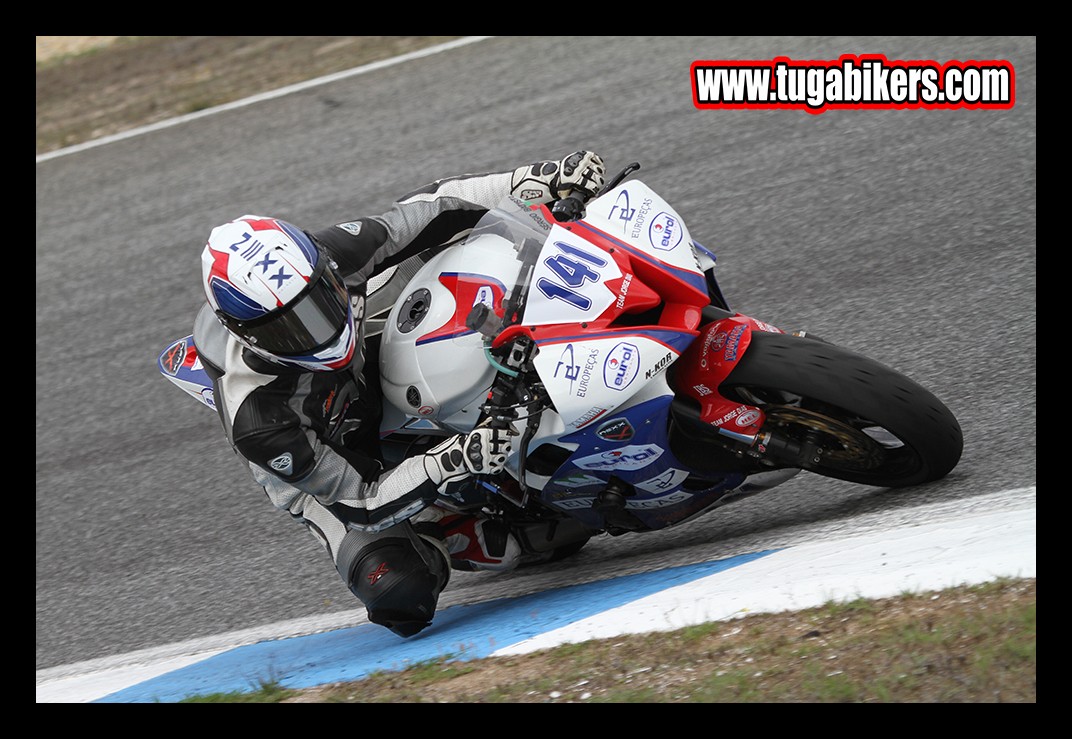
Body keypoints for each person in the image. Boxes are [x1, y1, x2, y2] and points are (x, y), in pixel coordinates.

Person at [196, 151, 607, 637]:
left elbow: (427, 209)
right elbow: (361, 499)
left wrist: (534, 178)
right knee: (399, 593)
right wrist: (449, 462)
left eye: (320, 302)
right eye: (293, 329)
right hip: (335, 458)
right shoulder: (262, 421)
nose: (319, 328)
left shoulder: (322, 259)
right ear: (249, 335)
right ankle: (446, 529)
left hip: (365, 363)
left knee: (443, 247)